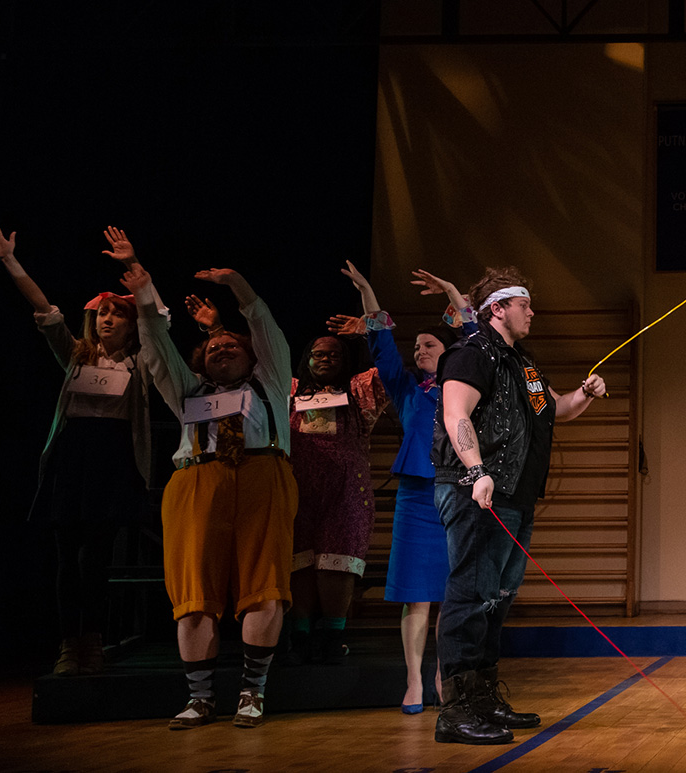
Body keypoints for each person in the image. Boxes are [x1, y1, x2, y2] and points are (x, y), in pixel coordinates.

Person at [430, 266, 606, 745]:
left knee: (497, 598)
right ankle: (456, 709)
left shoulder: (524, 366)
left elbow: (558, 409)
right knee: (470, 593)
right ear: (498, 308)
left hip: (516, 495)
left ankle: (483, 696)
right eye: (524, 304)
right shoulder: (470, 354)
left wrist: (584, 394)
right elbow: (455, 414)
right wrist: (476, 470)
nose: (532, 312)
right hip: (477, 489)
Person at [123, 262, 297, 730]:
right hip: (197, 485)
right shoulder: (187, 391)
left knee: (266, 588)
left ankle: (251, 694)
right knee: (194, 592)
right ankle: (200, 698)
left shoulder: (272, 381)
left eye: (230, 344)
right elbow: (157, 348)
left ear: (250, 355)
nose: (221, 347)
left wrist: (236, 284)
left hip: (264, 478)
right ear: (201, 360)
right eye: (213, 346)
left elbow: (262, 322)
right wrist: (144, 295)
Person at [0, 222, 157, 677]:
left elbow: (157, 316)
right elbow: (42, 307)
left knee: (93, 556)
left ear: (130, 322)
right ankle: (68, 643)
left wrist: (133, 266)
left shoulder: (141, 362)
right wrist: (9, 259)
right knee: (65, 555)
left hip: (112, 458)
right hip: (72, 457)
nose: (108, 319)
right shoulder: (76, 353)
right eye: (103, 313)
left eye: (118, 313)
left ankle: (93, 640)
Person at [334, 262, 474, 714]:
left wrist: (452, 289)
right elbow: (381, 347)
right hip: (416, 498)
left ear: (448, 350)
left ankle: (442, 673)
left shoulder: (465, 387)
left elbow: (475, 337)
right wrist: (369, 293)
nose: (419, 351)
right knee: (416, 594)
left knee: (449, 595)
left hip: (457, 493)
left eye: (429, 344)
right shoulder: (408, 390)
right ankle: (414, 680)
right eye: (416, 346)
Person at [284, 313, 386, 664]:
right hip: (297, 489)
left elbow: (385, 375)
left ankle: (332, 635)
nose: (326, 359)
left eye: (334, 354)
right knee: (298, 561)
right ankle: (300, 635)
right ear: (307, 359)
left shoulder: (357, 393)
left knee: (338, 562)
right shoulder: (291, 391)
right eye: (319, 354)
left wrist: (366, 335)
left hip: (347, 491)